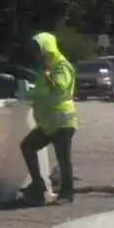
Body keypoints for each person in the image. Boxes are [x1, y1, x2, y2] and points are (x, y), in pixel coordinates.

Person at [20, 31, 77, 205]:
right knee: (27, 146)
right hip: (48, 122)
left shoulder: (61, 65)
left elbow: (59, 88)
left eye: (39, 49)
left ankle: (67, 193)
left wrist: (46, 73)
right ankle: (38, 184)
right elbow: (39, 92)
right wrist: (26, 92)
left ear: (47, 48)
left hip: (62, 120)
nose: (37, 54)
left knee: (63, 158)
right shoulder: (43, 69)